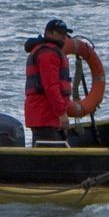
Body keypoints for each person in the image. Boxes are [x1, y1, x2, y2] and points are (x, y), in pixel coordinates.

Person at [24, 18, 81, 146]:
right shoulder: (48, 53)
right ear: (49, 34)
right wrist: (61, 113)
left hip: (47, 116)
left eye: (65, 33)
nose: (64, 37)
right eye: (59, 33)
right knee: (50, 158)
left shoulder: (49, 51)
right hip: (45, 116)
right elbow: (51, 86)